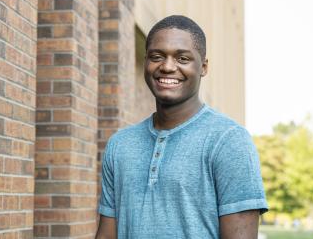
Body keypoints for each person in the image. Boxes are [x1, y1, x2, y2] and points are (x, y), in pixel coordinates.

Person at [95, 15, 268, 239]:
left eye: (182, 58)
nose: (167, 66)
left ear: (203, 67)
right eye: (157, 56)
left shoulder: (229, 140)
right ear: (146, 61)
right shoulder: (120, 145)